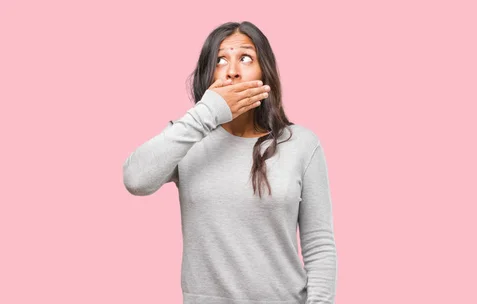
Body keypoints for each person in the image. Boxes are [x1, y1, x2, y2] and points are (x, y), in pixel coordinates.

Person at [122, 21, 337, 304]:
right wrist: (207, 111)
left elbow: (319, 246)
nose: (233, 71)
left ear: (265, 70)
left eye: (245, 58)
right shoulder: (187, 137)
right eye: (221, 60)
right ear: (208, 74)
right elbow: (136, 180)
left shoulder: (302, 144)